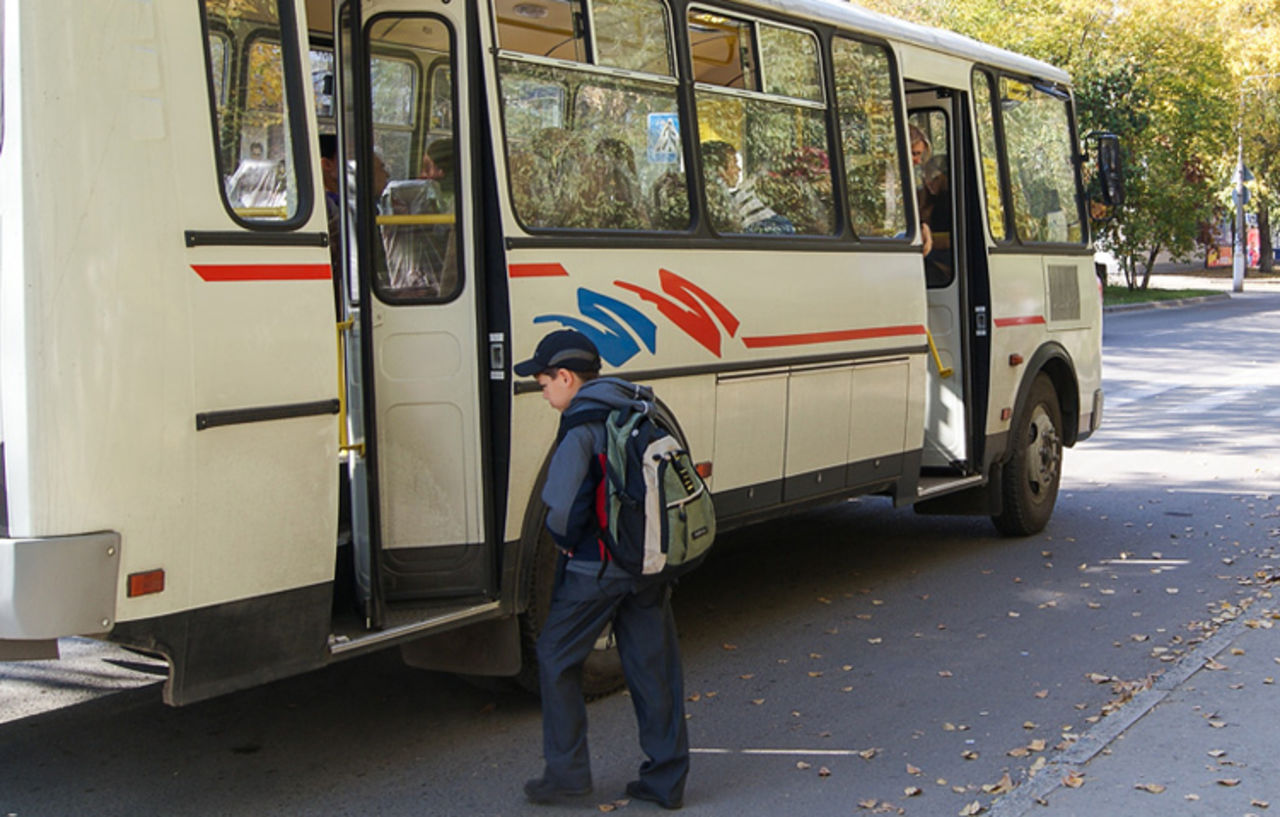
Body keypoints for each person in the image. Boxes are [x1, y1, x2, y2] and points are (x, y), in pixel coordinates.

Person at [516, 330, 689, 811]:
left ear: (567, 377)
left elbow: (560, 508)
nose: (543, 390)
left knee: (553, 655)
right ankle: (666, 780)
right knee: (653, 668)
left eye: (543, 381)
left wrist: (568, 547)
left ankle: (568, 775)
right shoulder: (638, 405)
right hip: (650, 561)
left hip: (597, 566)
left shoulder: (581, 426)